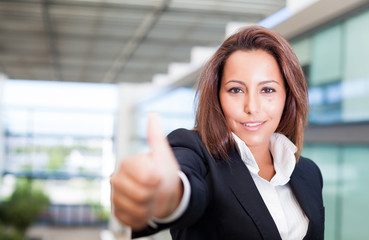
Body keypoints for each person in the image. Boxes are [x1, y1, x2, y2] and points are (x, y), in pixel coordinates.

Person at [110, 25, 324, 240]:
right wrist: (167, 195)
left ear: (288, 96)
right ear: (217, 96)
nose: (252, 107)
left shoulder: (309, 172)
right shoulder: (195, 150)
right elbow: (185, 185)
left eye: (267, 90)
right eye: (236, 90)